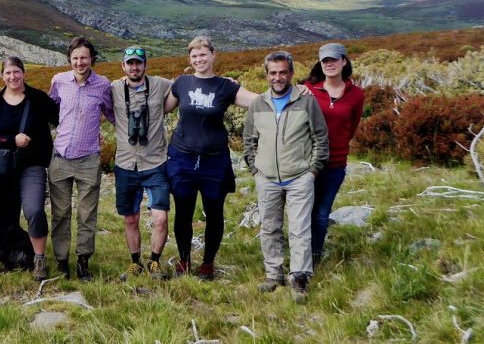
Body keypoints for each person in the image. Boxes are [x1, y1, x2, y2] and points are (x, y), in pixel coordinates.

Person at [163, 36, 260, 280]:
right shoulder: (182, 83)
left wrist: (292, 92)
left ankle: (208, 264)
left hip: (214, 160)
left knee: (214, 212)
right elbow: (163, 106)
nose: (198, 60)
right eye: (194, 56)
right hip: (182, 157)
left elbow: (258, 101)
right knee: (183, 211)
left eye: (203, 54)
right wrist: (128, 83)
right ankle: (184, 260)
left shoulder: (226, 87)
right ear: (190, 59)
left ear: (213, 55)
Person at [243, 50, 329, 303]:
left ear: (291, 73)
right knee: (270, 227)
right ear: (267, 75)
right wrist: (256, 171)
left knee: (300, 229)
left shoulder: (307, 101)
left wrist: (312, 171)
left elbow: (320, 139)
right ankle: (273, 275)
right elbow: (248, 141)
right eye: (273, 73)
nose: (278, 77)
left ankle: (300, 277)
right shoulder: (258, 103)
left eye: (283, 72)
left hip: (300, 177)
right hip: (267, 179)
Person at [0, 56, 60, 281]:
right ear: (2, 75)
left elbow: (61, 120)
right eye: (8, 73)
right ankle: (11, 256)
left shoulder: (37, 99)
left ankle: (39, 259)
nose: (12, 77)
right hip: (2, 171)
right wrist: (10, 141)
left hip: (32, 166)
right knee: (7, 215)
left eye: (16, 72)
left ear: (23, 73)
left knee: (34, 211)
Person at [48, 37, 115, 281]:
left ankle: (83, 262)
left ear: (92, 59)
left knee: (87, 214)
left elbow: (112, 114)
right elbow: (50, 110)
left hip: (89, 159)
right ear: (69, 59)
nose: (80, 62)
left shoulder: (103, 85)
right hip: (61, 157)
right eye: (75, 58)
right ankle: (62, 261)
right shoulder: (58, 82)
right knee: (60, 213)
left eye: (84, 57)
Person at [112, 46, 175, 281]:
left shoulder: (161, 84)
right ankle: (135, 262)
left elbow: (186, 86)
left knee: (160, 218)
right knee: (131, 218)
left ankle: (155, 261)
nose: (134, 67)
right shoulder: (114, 88)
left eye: (139, 63)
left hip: (155, 162)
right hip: (126, 163)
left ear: (146, 65)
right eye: (130, 63)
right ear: (123, 66)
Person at [299, 43, 365, 264]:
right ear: (320, 63)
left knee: (321, 214)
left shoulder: (356, 94)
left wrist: (336, 149)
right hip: (307, 164)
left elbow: (352, 127)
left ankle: (314, 256)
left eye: (334, 60)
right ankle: (300, 256)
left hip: (335, 165)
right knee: (304, 212)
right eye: (325, 60)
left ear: (344, 61)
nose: (329, 64)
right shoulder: (307, 89)